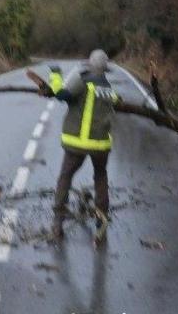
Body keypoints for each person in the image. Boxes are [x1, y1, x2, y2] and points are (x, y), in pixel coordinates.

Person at [45, 49, 119, 242]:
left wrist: (55, 75)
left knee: (65, 177)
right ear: (105, 69)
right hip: (101, 146)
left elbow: (61, 94)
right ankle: (101, 218)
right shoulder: (109, 88)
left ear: (90, 65)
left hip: (77, 143)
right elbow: (117, 103)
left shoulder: (84, 81)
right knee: (100, 176)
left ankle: (58, 223)